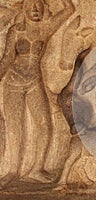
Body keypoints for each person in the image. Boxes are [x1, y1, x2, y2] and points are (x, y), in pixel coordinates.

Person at [0, 0, 75, 187]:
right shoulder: (17, 31)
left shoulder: (46, 28)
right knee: (15, 128)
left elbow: (69, 9)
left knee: (44, 125)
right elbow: (8, 58)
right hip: (13, 83)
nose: (35, 8)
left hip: (34, 81)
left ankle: (36, 169)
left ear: (43, 8)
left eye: (39, 5)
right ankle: (12, 171)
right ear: (24, 8)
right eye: (31, 5)